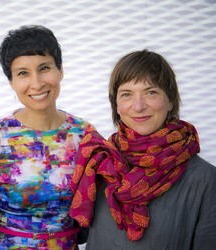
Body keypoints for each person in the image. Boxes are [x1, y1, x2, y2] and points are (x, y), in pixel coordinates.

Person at [69, 49, 216, 249]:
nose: (138, 106)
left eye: (151, 92)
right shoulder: (99, 162)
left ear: (170, 100)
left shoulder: (205, 179)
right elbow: (75, 232)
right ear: (117, 105)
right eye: (127, 94)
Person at [0, 25, 92, 249]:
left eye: (44, 68)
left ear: (60, 70)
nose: (36, 83)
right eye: (23, 73)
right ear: (11, 81)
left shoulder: (86, 136)